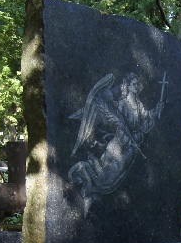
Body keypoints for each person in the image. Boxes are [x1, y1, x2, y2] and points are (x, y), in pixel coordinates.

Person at [67, 71, 166, 209]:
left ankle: (93, 194)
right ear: (128, 86)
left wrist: (155, 111)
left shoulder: (138, 104)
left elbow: (144, 123)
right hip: (120, 146)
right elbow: (118, 126)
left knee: (113, 177)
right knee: (108, 175)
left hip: (132, 148)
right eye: (134, 84)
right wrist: (127, 139)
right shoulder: (122, 104)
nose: (138, 86)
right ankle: (86, 183)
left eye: (138, 83)